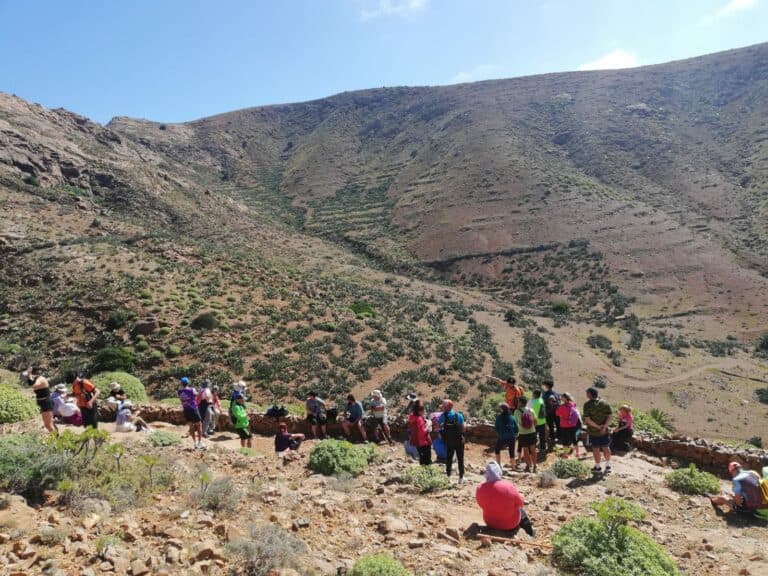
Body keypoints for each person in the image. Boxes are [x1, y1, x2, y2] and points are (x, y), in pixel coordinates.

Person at [475, 461, 535, 537]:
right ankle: (531, 533)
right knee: (522, 512)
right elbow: (520, 503)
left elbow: (481, 505)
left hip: (490, 523)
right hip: (509, 525)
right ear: (499, 472)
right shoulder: (508, 486)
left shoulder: (479, 488)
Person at [583, 387, 613, 474]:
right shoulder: (605, 403)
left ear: (590, 394)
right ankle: (608, 465)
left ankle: (597, 467)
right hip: (604, 431)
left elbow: (587, 420)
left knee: (596, 449)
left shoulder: (587, 405)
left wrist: (598, 427)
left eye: (587, 393)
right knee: (606, 447)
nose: (586, 394)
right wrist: (604, 427)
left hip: (593, 431)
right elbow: (610, 417)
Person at [438, 399, 465, 483]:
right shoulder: (459, 415)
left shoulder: (443, 416)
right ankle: (461, 478)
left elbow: (438, 427)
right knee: (460, 459)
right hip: (459, 441)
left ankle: (448, 477)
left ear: (447, 407)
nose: (442, 408)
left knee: (449, 458)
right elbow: (463, 429)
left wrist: (442, 428)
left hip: (449, 441)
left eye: (443, 407)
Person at [24, 368, 57, 434]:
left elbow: (33, 384)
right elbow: (30, 383)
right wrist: (28, 375)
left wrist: (29, 375)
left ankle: (56, 438)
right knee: (50, 423)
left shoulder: (40, 379)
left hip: (46, 403)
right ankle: (57, 436)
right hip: (43, 403)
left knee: (48, 425)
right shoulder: (36, 379)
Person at [178, 377, 205, 449]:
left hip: (186, 410)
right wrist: (202, 391)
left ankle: (195, 443)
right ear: (188, 383)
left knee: (191, 426)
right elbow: (197, 395)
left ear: (181, 383)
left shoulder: (179, 392)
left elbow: (182, 400)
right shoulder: (192, 389)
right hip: (193, 409)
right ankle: (200, 443)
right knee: (199, 425)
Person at [514, 397, 538, 473]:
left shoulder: (517, 411)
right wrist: (532, 427)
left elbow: (515, 423)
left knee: (525, 450)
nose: (517, 403)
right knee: (533, 450)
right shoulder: (531, 410)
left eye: (518, 402)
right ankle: (535, 466)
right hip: (532, 432)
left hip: (523, 433)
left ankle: (528, 467)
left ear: (520, 403)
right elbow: (535, 421)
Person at [555, 393, 581, 459]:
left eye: (562, 397)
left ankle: (566, 454)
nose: (561, 398)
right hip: (573, 425)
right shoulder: (573, 404)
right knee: (574, 439)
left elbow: (557, 414)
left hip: (564, 425)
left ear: (565, 398)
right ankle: (577, 453)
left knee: (565, 441)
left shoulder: (561, 407)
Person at [494, 402, 518, 468]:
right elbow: (516, 429)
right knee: (511, 451)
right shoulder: (512, 417)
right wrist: (514, 435)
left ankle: (498, 465)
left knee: (497, 449)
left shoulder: (499, 417)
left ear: (502, 409)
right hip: (512, 437)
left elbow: (496, 428)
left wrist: (499, 434)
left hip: (502, 437)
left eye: (500, 408)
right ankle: (513, 467)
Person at [408, 399, 432, 465]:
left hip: (417, 441)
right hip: (424, 442)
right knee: (426, 459)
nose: (424, 411)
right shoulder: (419, 419)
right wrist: (428, 425)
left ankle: (422, 469)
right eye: (423, 410)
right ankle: (427, 470)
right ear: (419, 411)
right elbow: (423, 432)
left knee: (422, 458)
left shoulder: (412, 417)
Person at [541, 380, 560, 449]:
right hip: (557, 412)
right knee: (558, 425)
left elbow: (543, 404)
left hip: (549, 413)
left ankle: (552, 438)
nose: (543, 386)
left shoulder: (545, 394)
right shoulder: (557, 394)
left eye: (544, 385)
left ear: (547, 386)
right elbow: (559, 403)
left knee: (551, 426)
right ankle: (559, 438)